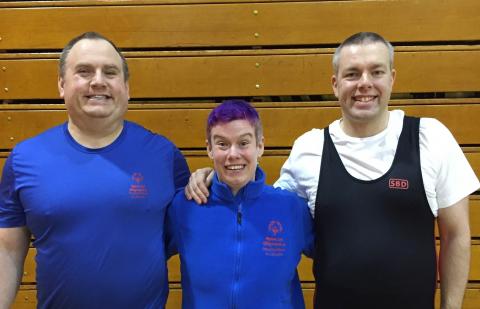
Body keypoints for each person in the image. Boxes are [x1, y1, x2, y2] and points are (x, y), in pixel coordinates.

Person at [185, 32, 480, 308]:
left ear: (391, 79)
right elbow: (260, 206)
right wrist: (214, 177)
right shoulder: (309, 148)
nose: (364, 83)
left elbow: (456, 234)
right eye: (352, 74)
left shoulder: (430, 137)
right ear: (335, 84)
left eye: (376, 72)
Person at [0, 32, 190, 309]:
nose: (98, 81)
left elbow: (188, 238)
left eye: (110, 72)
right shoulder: (24, 159)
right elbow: (7, 250)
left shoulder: (164, 156)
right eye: (84, 71)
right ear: (62, 85)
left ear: (126, 87)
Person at [168, 99, 313, 308]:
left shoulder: (292, 209)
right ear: (209, 149)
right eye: (222, 144)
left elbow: (336, 259)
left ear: (260, 146)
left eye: (243, 143)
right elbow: (145, 256)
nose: (233, 154)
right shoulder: (184, 207)